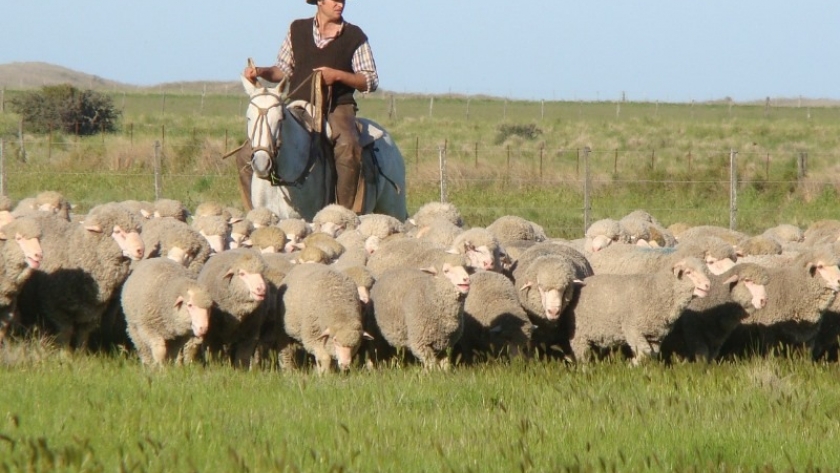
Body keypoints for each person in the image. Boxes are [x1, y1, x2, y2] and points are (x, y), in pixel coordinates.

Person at [243, 0, 379, 213]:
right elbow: (282, 71)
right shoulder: (297, 28)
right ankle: (255, 214)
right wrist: (260, 72)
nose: (340, 4)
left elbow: (370, 80)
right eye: (335, 0)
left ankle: (344, 214)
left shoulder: (355, 36)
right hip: (298, 103)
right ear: (320, 1)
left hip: (337, 107)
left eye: (343, 0)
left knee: (348, 146)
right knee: (246, 152)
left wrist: (337, 75)